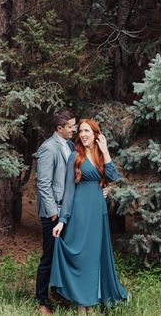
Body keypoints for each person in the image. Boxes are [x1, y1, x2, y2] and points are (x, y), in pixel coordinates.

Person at [50, 119, 127, 312]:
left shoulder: (101, 155)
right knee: (81, 257)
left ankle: (92, 302)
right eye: (81, 131)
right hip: (79, 213)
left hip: (98, 214)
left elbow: (113, 177)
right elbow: (68, 191)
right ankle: (80, 306)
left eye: (87, 131)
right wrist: (62, 220)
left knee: (94, 258)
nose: (83, 134)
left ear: (95, 134)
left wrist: (106, 150)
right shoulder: (75, 156)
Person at [35, 108, 76, 315]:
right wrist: (53, 213)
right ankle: (41, 301)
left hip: (67, 210)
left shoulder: (69, 145)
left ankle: (60, 293)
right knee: (49, 256)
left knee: (65, 256)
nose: (74, 130)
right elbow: (43, 184)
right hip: (53, 212)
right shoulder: (48, 148)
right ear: (60, 128)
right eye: (71, 127)